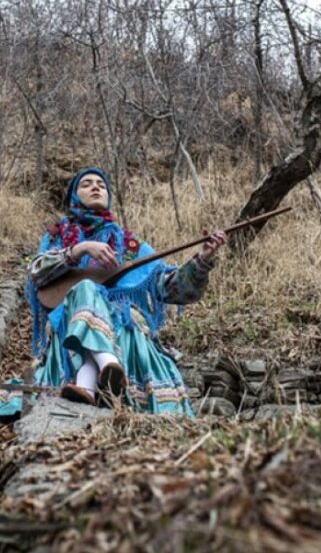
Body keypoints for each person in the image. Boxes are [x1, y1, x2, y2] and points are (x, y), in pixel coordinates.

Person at [21, 167, 224, 416]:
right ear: (74, 196)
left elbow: (170, 289)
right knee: (86, 288)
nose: (96, 187)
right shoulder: (59, 237)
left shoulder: (129, 245)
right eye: (86, 184)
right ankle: (109, 365)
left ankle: (88, 381)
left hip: (122, 326)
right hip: (69, 323)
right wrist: (80, 249)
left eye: (101, 184)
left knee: (121, 320)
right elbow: (35, 274)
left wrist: (201, 261)